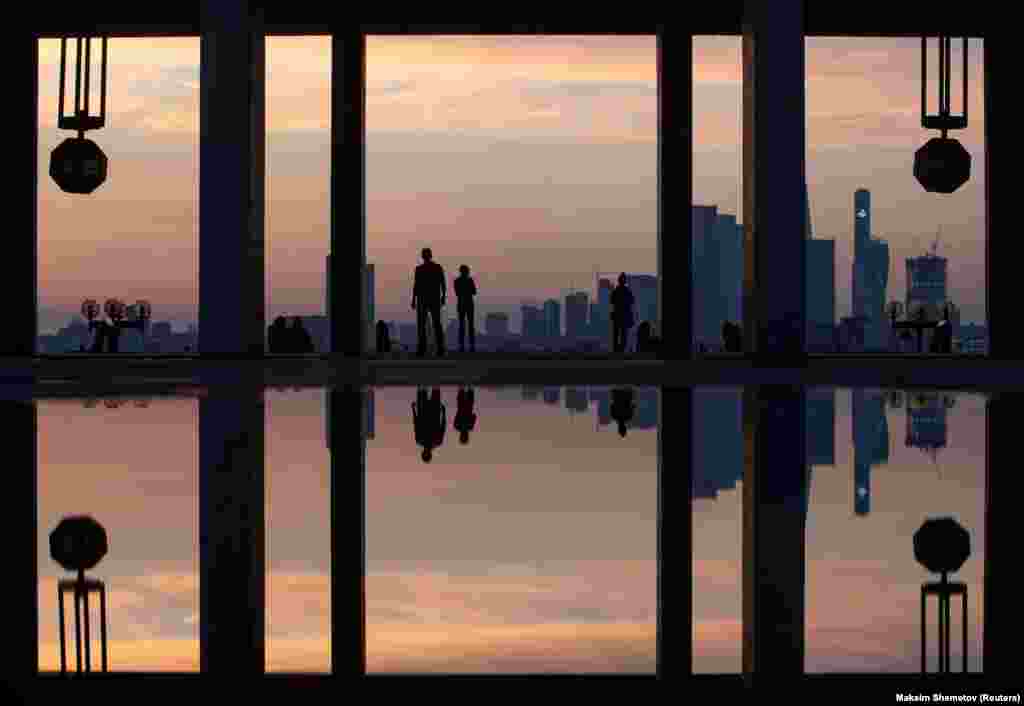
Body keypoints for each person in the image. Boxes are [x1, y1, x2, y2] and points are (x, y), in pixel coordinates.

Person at [411, 247, 446, 357]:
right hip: (433, 298)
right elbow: (442, 283)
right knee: (436, 324)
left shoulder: (419, 269)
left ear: (423, 256)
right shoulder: (437, 267)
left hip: (423, 299)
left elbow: (416, 285)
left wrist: (413, 299)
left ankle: (422, 349)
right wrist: (443, 296)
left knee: (422, 325)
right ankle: (439, 349)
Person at [412, 387, 446, 463]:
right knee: (433, 387)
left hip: (426, 410)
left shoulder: (421, 440)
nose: (425, 452)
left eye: (424, 454)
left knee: (424, 387)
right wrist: (443, 413)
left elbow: (416, 423)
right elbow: (443, 426)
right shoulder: (436, 441)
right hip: (432, 411)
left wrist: (413, 410)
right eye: (426, 454)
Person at [453, 264, 477, 353]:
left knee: (462, 326)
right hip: (469, 304)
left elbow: (457, 293)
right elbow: (474, 292)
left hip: (461, 304)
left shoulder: (457, 281)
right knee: (470, 326)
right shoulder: (470, 280)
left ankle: (462, 346)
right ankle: (471, 346)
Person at [610, 272, 635, 353]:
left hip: (618, 315)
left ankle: (617, 350)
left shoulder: (616, 291)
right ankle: (620, 350)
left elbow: (612, 301)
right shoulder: (627, 291)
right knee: (623, 334)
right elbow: (632, 301)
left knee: (617, 334)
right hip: (624, 316)